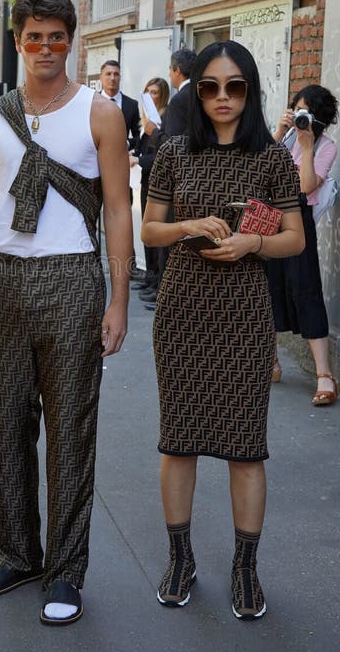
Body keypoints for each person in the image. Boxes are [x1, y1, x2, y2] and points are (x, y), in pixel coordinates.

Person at [0, 0, 132, 625]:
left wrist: (119, 300)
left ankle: (64, 571)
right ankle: (16, 553)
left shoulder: (99, 113)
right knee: (3, 426)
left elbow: (117, 208)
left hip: (71, 281)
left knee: (70, 431)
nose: (46, 48)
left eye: (58, 36)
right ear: (17, 42)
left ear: (71, 41)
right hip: (2, 280)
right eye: (34, 36)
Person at [141, 40, 304, 620]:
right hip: (183, 311)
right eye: (210, 86)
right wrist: (189, 224)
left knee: (244, 449)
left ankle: (245, 568)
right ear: (198, 92)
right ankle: (180, 559)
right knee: (179, 440)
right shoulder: (175, 152)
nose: (222, 98)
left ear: (250, 91)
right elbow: (148, 232)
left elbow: (295, 238)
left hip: (244, 314)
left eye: (234, 86)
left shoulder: (271, 158)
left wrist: (251, 242)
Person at [267, 85, 339, 405]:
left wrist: (307, 146)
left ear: (319, 118)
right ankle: (270, 361)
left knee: (305, 289)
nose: (300, 117)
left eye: (305, 112)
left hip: (299, 218)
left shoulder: (326, 146)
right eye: (296, 110)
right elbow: (260, 169)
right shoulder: (284, 138)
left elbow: (307, 185)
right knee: (267, 286)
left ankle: (325, 374)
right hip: (270, 219)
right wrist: (281, 130)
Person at [139, 49, 198, 308]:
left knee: (167, 241)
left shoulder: (180, 100)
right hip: (195, 181)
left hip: (177, 183)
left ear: (176, 71)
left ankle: (165, 296)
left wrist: (153, 132)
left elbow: (173, 148)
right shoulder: (198, 95)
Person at [99, 59, 142, 280]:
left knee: (123, 214)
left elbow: (138, 138)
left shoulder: (131, 105)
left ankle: (129, 263)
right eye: (108, 74)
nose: (112, 78)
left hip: (122, 170)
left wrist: (127, 149)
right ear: (101, 77)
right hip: (95, 168)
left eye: (116, 74)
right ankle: (94, 260)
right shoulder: (91, 103)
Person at [129, 77, 170, 294]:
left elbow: (161, 156)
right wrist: (132, 153)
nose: (151, 96)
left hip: (158, 183)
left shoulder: (162, 121)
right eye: (148, 92)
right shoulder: (146, 122)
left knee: (156, 231)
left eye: (155, 92)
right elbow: (141, 148)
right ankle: (151, 276)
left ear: (162, 96)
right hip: (144, 181)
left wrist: (138, 160)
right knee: (146, 228)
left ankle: (157, 282)